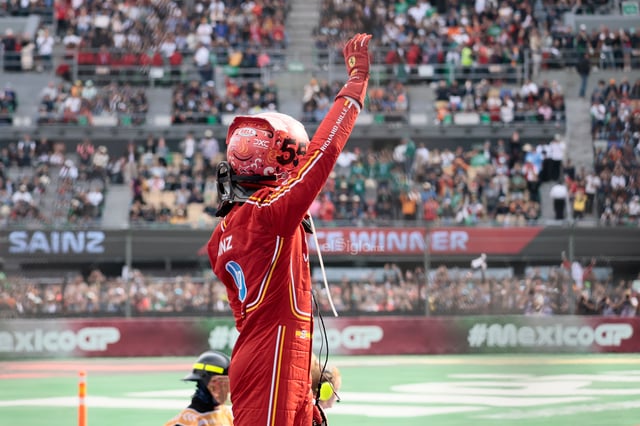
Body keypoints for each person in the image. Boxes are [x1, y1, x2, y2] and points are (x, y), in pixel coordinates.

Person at [206, 33, 371, 426]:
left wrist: (304, 368)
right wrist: (355, 85)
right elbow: (324, 153)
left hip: (277, 355)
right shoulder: (269, 215)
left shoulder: (225, 233)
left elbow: (254, 318)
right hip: (275, 360)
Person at [164, 350, 233, 426]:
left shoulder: (225, 413)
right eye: (222, 385)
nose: (227, 390)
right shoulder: (185, 422)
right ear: (206, 384)